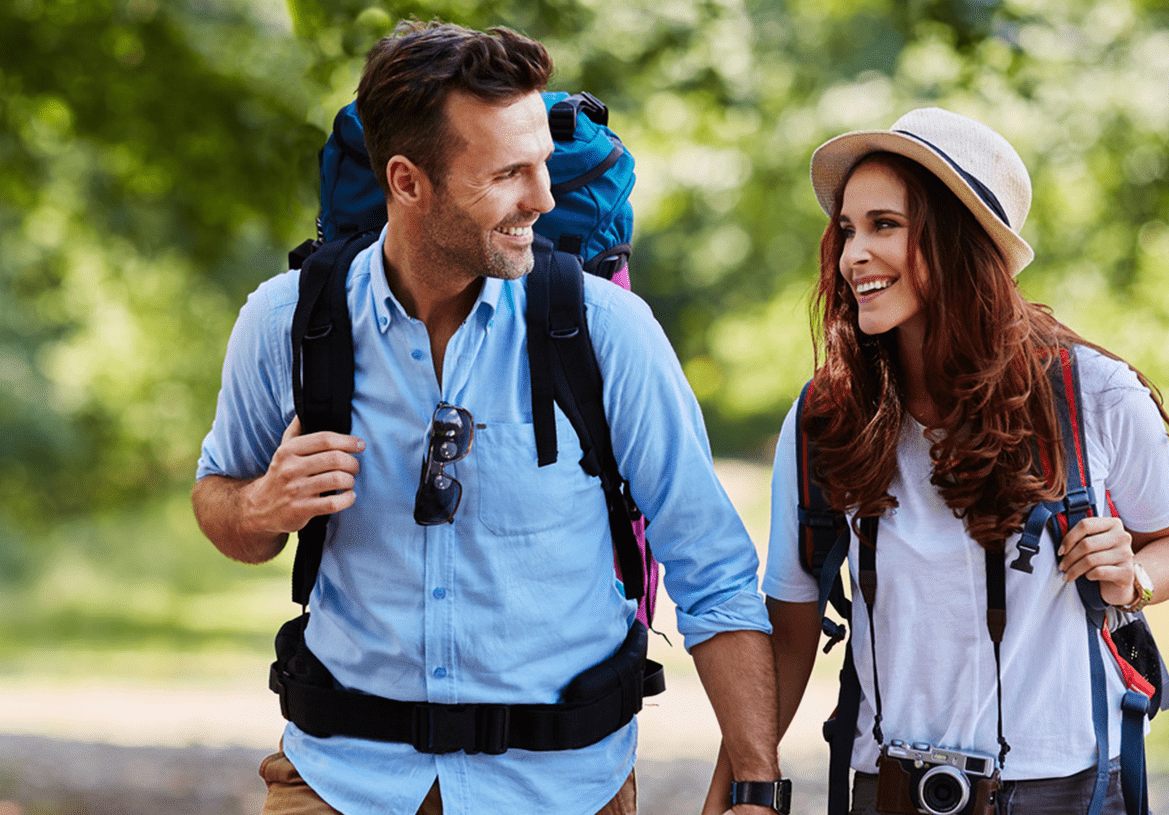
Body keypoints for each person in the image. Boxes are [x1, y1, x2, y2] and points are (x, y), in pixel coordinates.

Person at [193, 21, 786, 815]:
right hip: (339, 782)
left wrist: (754, 784)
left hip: (561, 789)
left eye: (543, 164)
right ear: (407, 182)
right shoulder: (288, 321)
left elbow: (711, 568)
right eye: (508, 173)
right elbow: (217, 498)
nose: (541, 199)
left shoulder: (604, 331)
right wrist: (260, 505)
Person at [712, 107, 1169, 814]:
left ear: (958, 241)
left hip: (1063, 789)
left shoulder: (1089, 394)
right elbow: (787, 630)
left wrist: (1134, 577)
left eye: (884, 225)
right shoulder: (827, 416)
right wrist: (741, 793)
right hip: (882, 791)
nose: (853, 254)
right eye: (847, 229)